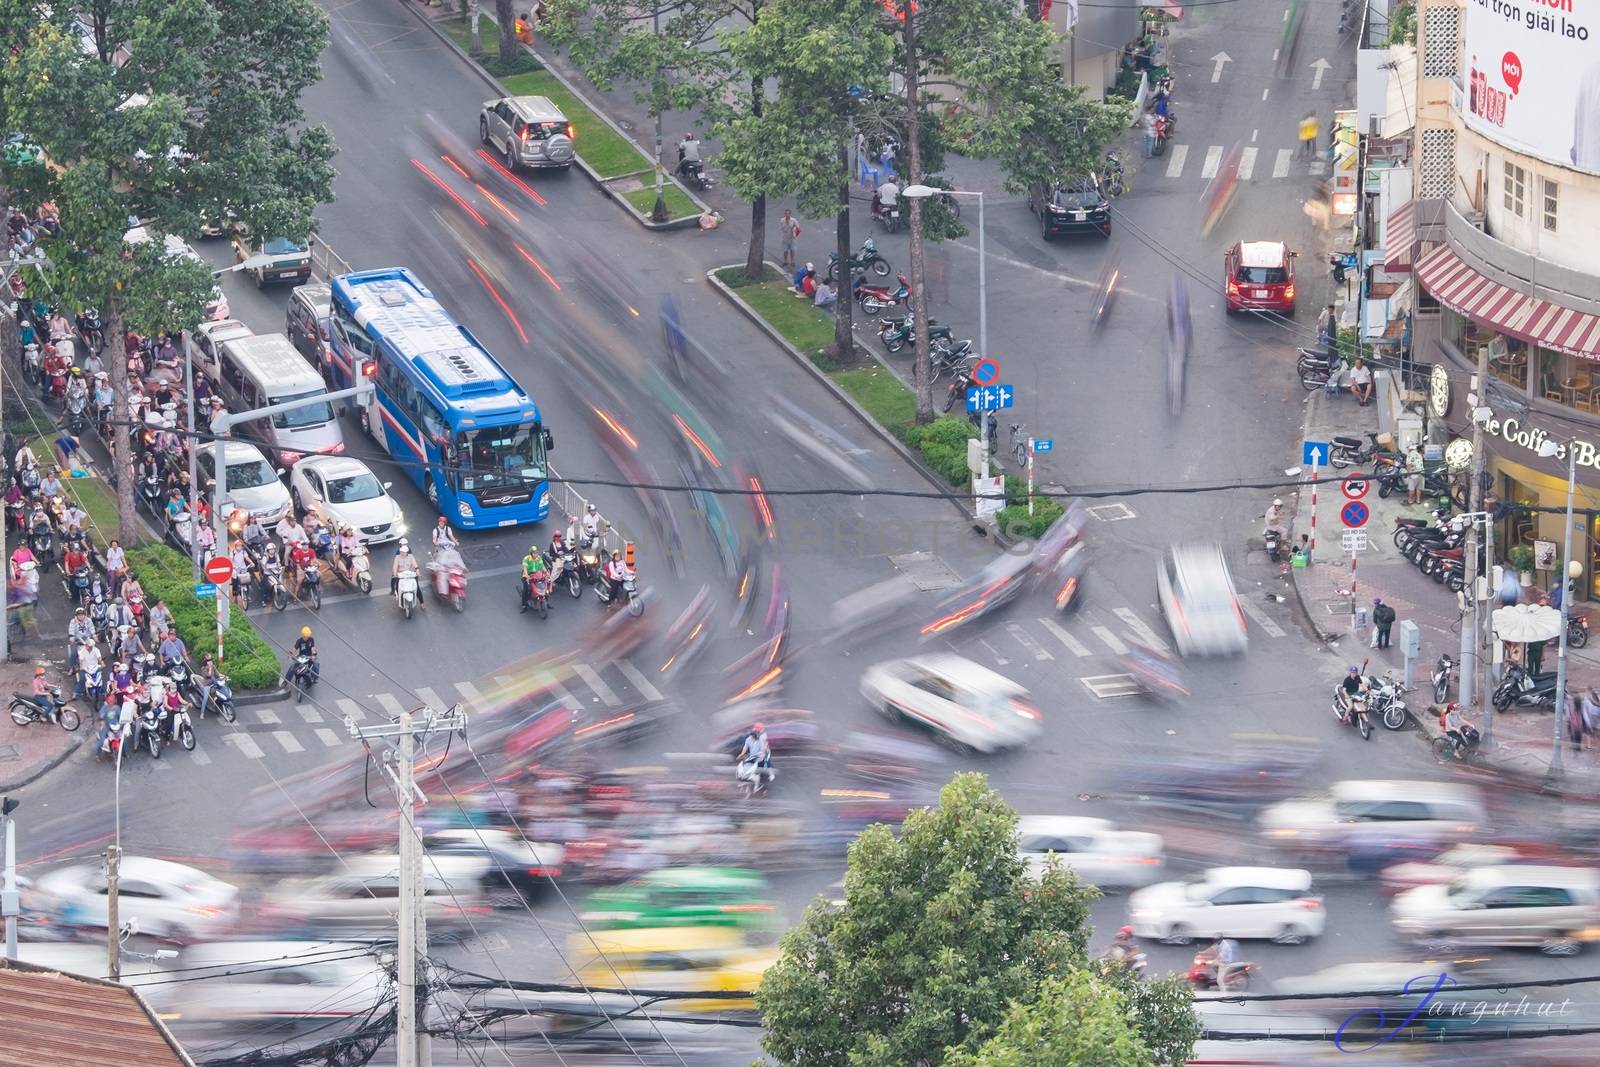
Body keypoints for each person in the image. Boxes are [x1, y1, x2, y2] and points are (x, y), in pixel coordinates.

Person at [520, 545, 547, 612]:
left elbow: (542, 566)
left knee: (545, 586)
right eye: (534, 553)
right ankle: (524, 605)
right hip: (528, 575)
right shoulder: (526, 558)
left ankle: (547, 603)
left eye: (536, 553)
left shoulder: (539, 558)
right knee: (526, 589)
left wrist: (546, 572)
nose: (536, 554)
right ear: (531, 553)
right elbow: (525, 568)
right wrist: (527, 576)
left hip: (537, 575)